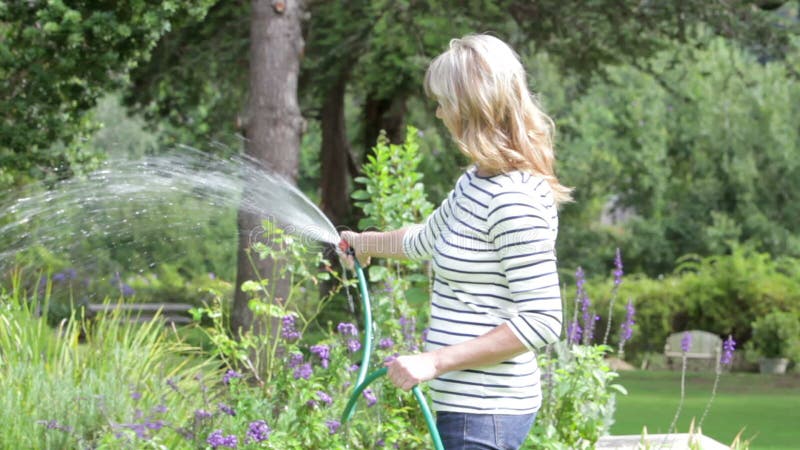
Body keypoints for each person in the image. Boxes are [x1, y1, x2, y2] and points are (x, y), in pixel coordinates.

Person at [340, 34, 571, 450]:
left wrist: (434, 361)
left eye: (445, 100)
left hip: (487, 414)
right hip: (466, 409)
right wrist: (364, 242)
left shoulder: (512, 200)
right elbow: (423, 240)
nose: (439, 111)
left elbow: (543, 320)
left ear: (471, 108)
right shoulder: (476, 182)